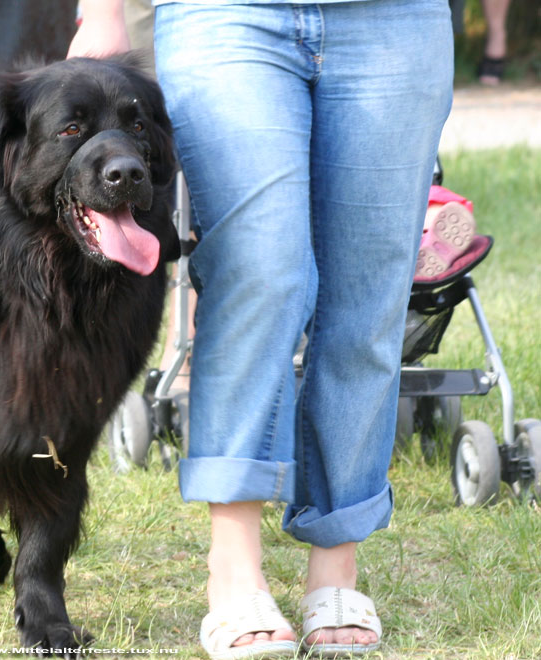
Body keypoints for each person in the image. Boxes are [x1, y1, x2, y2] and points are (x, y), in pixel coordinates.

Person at [69, 0, 453, 657]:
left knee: (367, 292)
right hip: (222, 12)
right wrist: (104, 9)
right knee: (259, 267)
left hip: (396, 20)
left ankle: (335, 562)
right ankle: (234, 568)